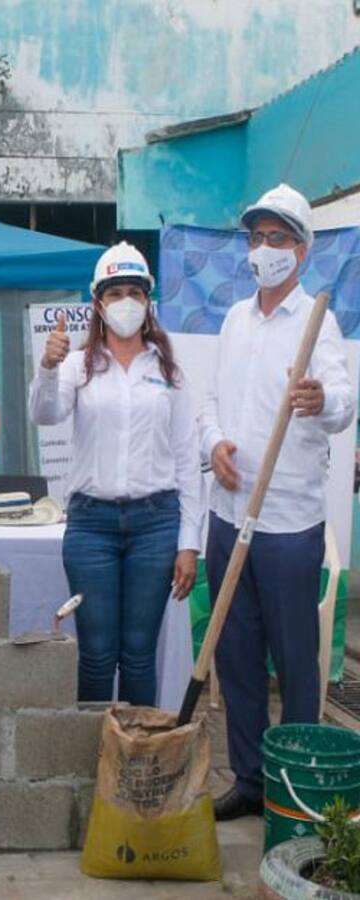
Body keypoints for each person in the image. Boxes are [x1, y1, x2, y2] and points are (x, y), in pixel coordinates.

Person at [202, 184, 354, 821]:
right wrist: (215, 445)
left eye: (277, 238)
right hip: (228, 513)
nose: (264, 249)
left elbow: (344, 403)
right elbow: (210, 401)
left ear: (301, 250)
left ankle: (293, 785)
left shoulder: (317, 323)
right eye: (257, 237)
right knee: (235, 656)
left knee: (294, 660)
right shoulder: (237, 319)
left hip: (288, 521)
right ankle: (248, 777)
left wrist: (321, 401)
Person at [28, 242, 200, 706]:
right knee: (99, 655)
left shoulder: (169, 371)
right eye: (115, 292)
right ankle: (96, 757)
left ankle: (136, 760)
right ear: (98, 304)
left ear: (148, 302)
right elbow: (44, 414)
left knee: (140, 654)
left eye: (134, 292)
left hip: (156, 524)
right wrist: (46, 367)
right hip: (91, 526)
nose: (125, 301)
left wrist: (189, 542)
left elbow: (187, 458)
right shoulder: (75, 366)